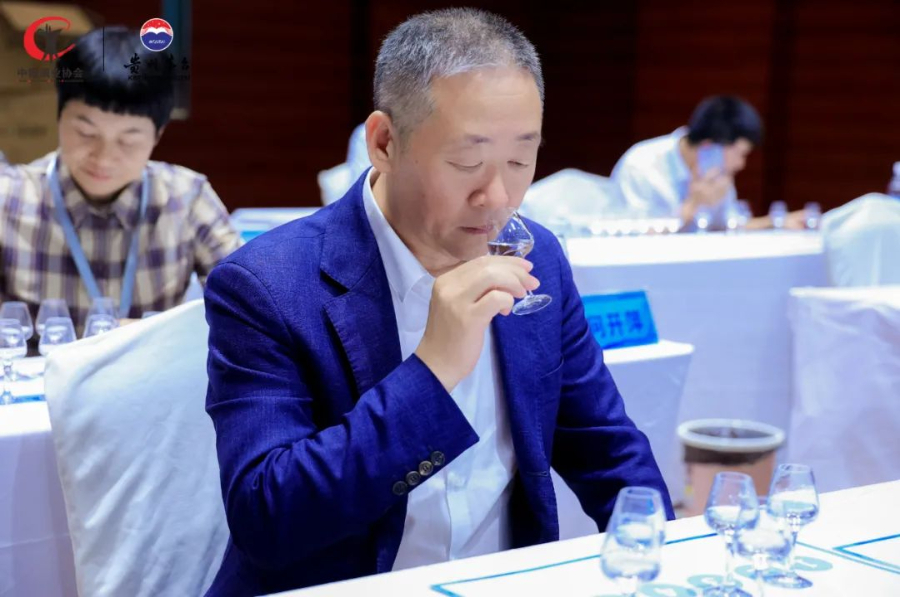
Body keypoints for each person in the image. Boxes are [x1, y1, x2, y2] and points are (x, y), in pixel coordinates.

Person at [204, 8, 672, 596]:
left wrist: (664, 560)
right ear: (384, 143)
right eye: (467, 163)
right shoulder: (266, 284)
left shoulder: (539, 257)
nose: (497, 196)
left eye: (520, 161)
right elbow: (266, 518)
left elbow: (608, 449)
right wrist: (432, 371)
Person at [0, 27, 241, 327]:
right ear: (59, 117)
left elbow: (247, 308)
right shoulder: (8, 200)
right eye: (86, 133)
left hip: (151, 358)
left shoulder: (187, 198)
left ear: (158, 135)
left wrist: (151, 334)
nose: (104, 157)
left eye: (128, 140)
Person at [612, 95, 766, 230]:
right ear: (708, 146)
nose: (741, 164)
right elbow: (633, 236)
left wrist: (772, 221)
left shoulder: (717, 173)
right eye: (740, 154)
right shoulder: (640, 165)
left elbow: (732, 225)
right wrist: (693, 205)